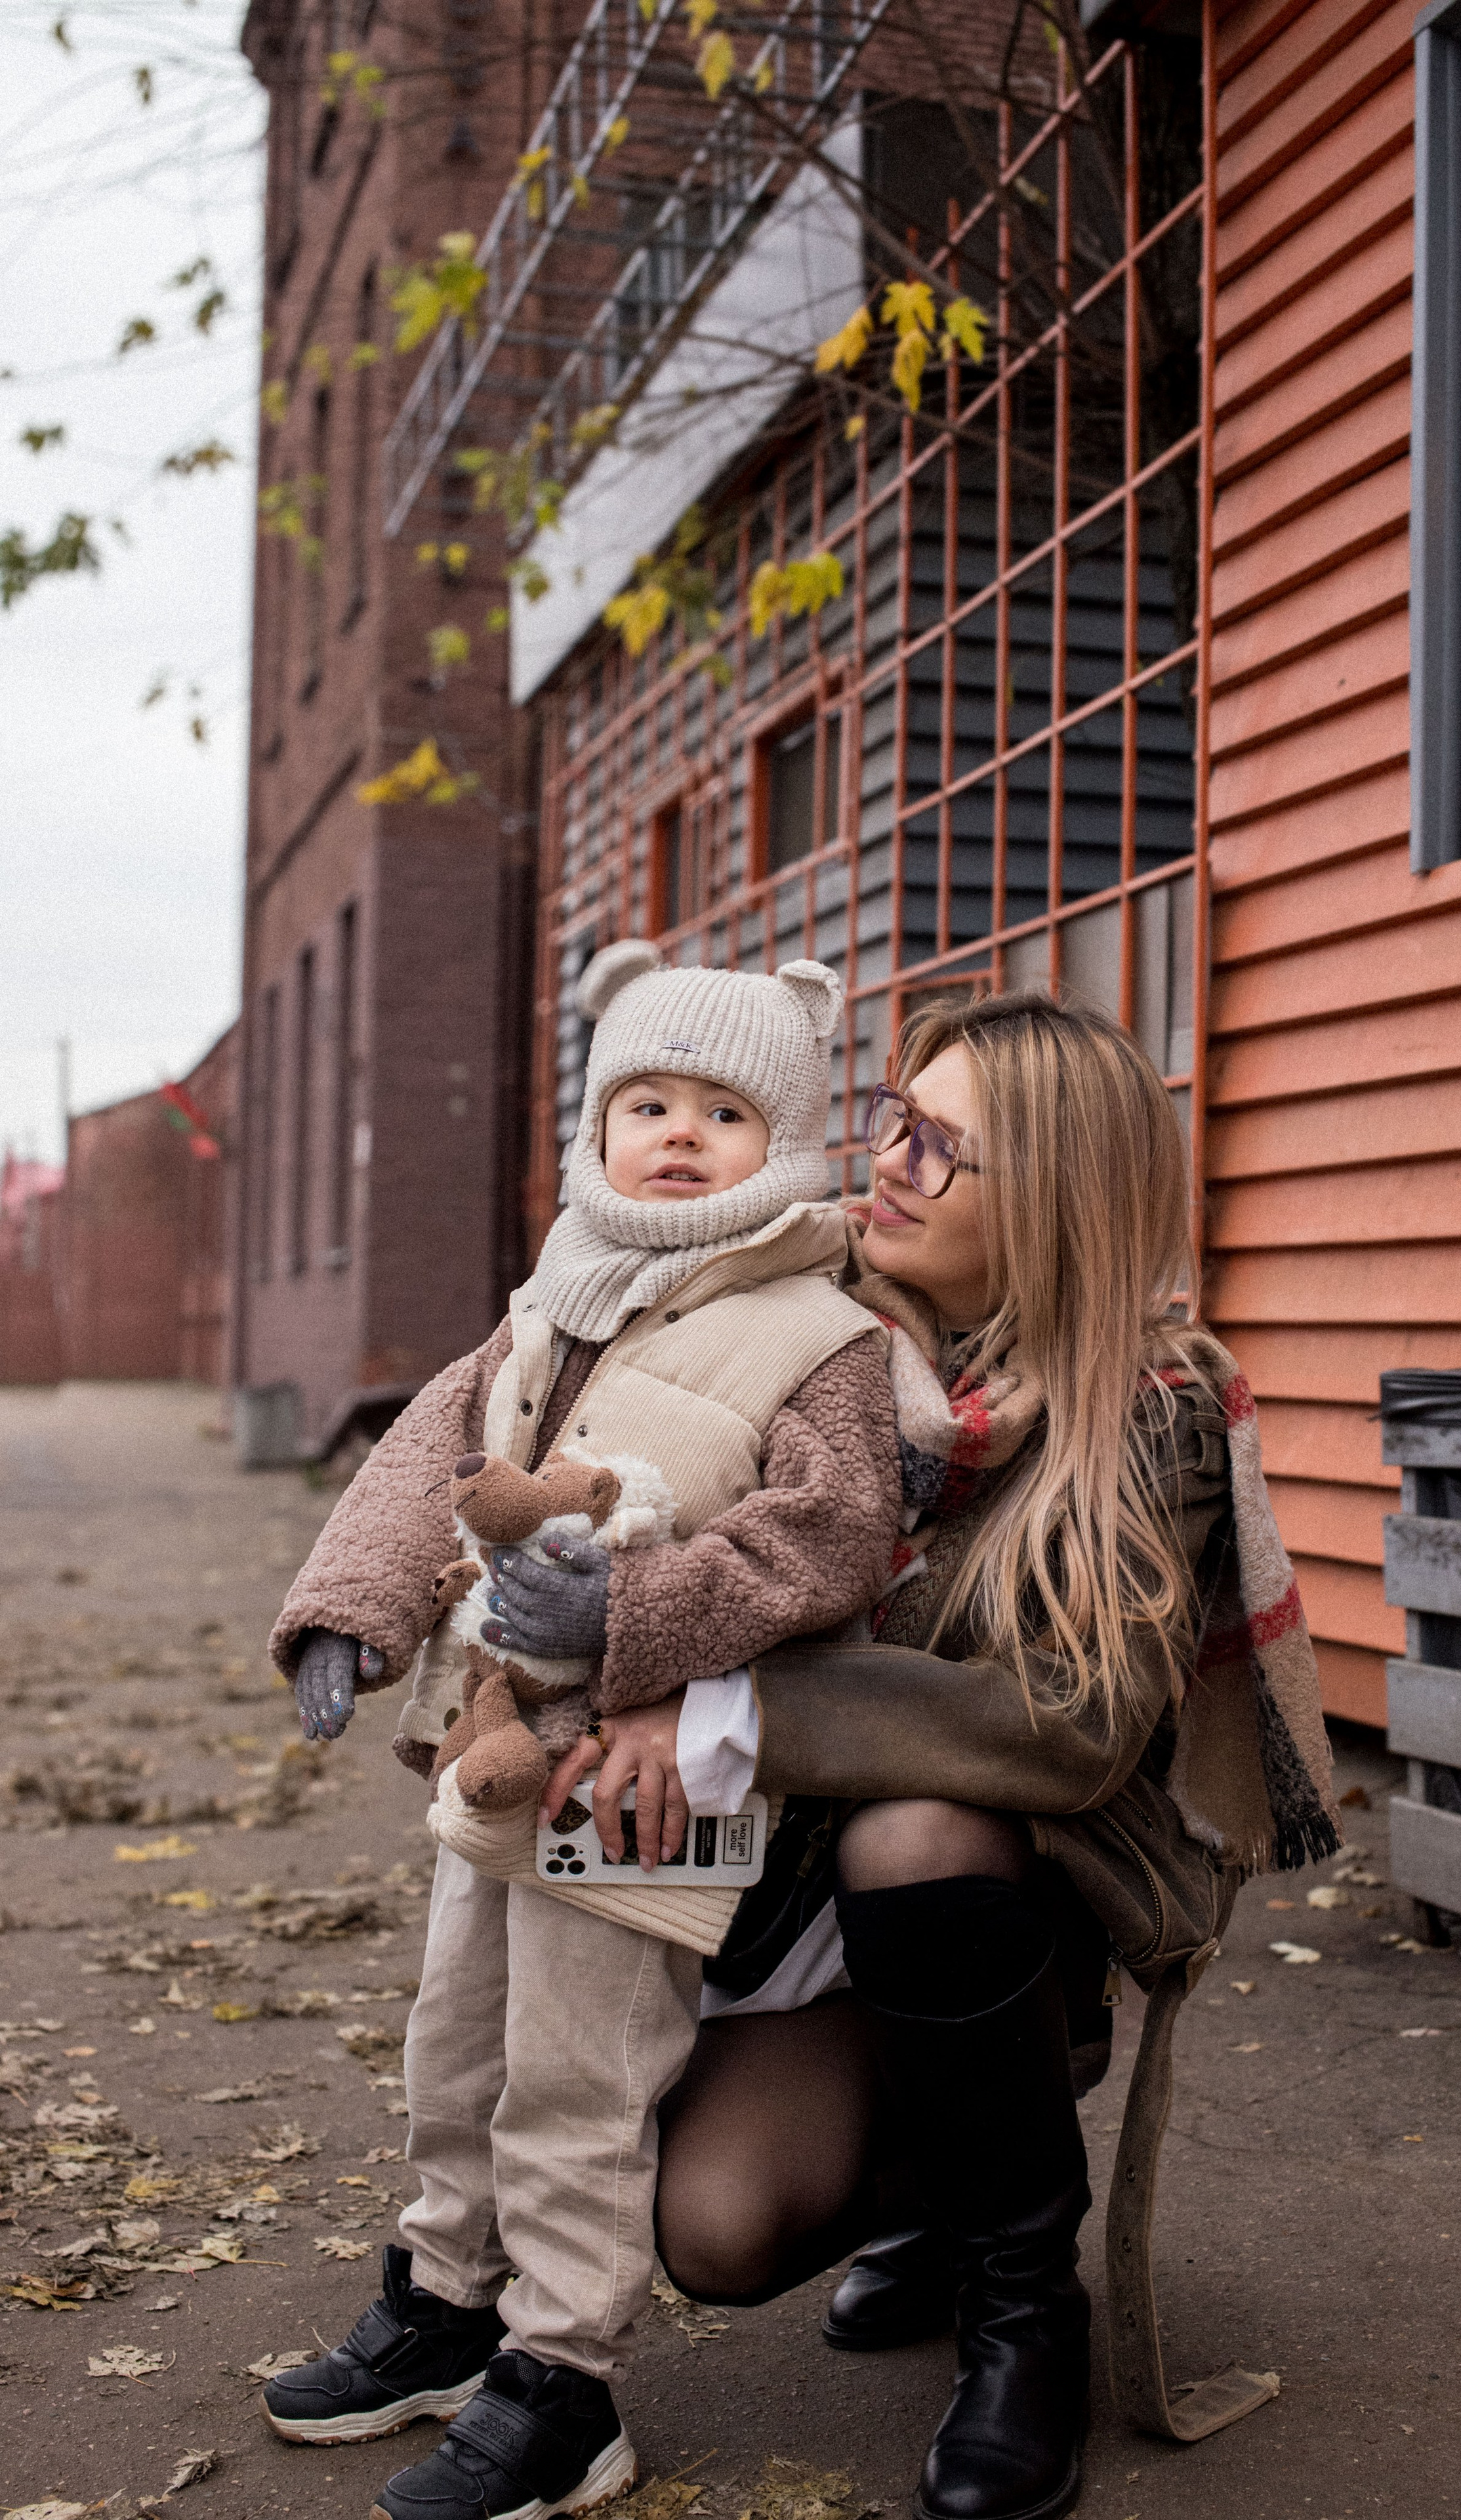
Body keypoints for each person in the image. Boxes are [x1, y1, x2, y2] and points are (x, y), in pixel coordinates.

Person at [535, 990, 1338, 2520]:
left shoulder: (1143, 1410)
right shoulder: (797, 1329)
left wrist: (724, 1705)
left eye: (937, 1147)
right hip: (789, 1886)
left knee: (919, 1827)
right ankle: (952, 2157)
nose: (885, 1163)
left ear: (1045, 1198)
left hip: (1015, 1890)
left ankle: (1022, 2306)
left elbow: (1067, 1725)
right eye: (894, 1120)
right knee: (714, 2233)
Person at [257, 944, 903, 2520]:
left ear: (788, 1142)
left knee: (581, 2068)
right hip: (496, 1741)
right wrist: (355, 1608)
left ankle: (566, 2379)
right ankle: (446, 2296)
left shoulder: (820, 1334)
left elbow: (830, 1536)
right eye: (647, 1102)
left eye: (725, 1112)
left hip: (663, 1757)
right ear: (595, 1129)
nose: (679, 1134)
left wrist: (635, 1618)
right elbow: (428, 1458)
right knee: (457, 2035)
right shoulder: (549, 1301)